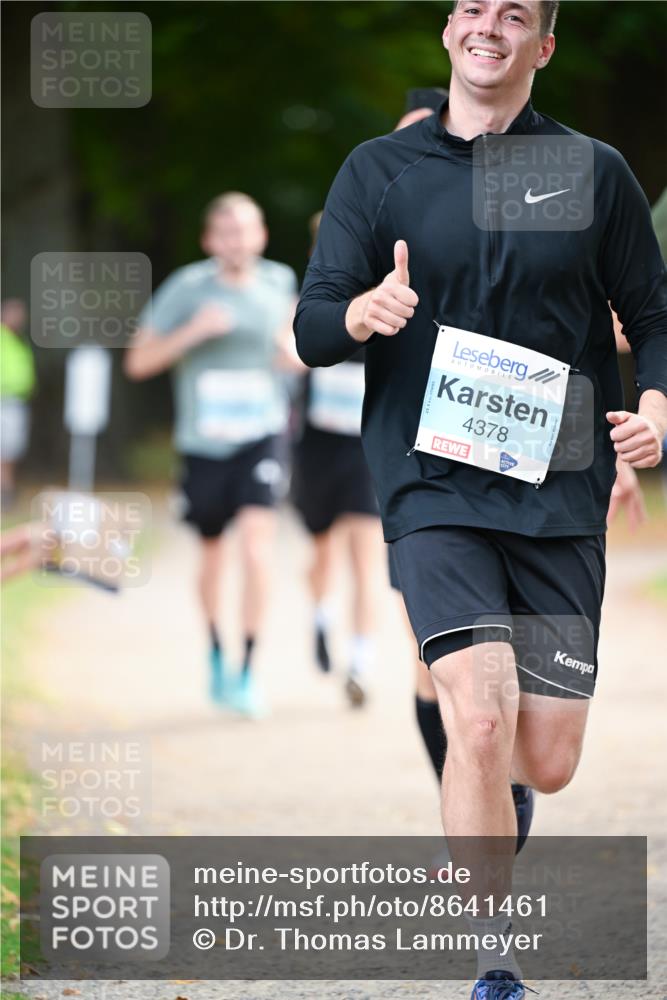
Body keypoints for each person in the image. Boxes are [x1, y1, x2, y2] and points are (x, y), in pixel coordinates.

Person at [294, 3, 667, 997]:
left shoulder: (591, 172)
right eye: (471, 8)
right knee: (480, 715)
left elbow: (652, 315)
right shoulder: (381, 171)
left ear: (543, 45)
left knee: (545, 758)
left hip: (558, 492)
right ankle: (493, 957)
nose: (486, 26)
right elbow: (312, 324)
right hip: (432, 486)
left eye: (513, 13)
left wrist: (655, 411)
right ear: (449, 30)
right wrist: (361, 311)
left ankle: (498, 804)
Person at [125, 192, 298, 717]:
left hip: (262, 435)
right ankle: (217, 649)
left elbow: (295, 356)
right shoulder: (186, 287)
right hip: (204, 444)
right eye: (225, 232)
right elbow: (138, 362)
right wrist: (193, 331)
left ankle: (248, 667)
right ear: (208, 240)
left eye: (245, 230)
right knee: (214, 554)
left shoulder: (280, 283)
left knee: (257, 546)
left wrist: (292, 353)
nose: (236, 241)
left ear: (261, 236)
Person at [291, 212, 384, 707]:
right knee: (323, 553)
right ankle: (321, 616)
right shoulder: (308, 302)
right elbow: (288, 348)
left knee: (366, 557)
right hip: (317, 447)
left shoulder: (386, 299)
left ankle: (361, 664)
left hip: (366, 448)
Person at [0, 299, 35, 508]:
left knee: (11, 449)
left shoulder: (19, 339)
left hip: (17, 401)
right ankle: (5, 490)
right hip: (4, 400)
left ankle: (6, 488)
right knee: (5, 448)